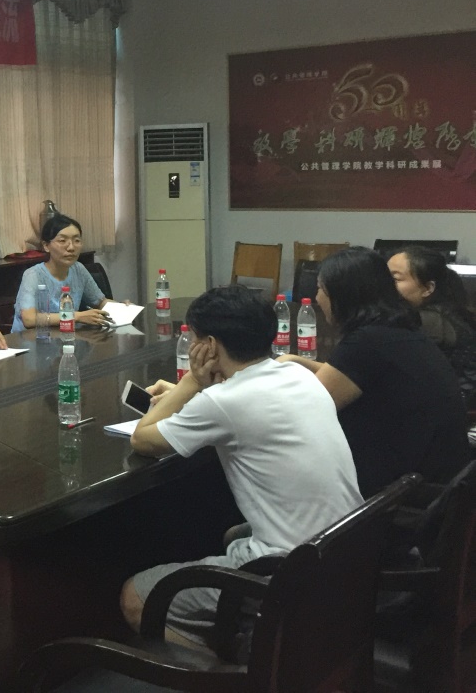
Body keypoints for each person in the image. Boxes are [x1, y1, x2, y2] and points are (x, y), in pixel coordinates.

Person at [124, 286, 362, 650]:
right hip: (346, 549)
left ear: (209, 346)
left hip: (291, 570)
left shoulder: (223, 401)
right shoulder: (297, 373)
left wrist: (192, 381)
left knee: (136, 596)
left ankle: (238, 667)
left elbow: (142, 439)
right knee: (233, 536)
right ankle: (250, 633)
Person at [281, 246, 468, 497]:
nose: (316, 298)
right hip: (441, 484)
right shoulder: (397, 330)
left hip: (402, 496)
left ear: (341, 295)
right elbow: (354, 376)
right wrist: (298, 361)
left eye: (320, 288)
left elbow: (301, 412)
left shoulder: (366, 342)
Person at [389, 245, 476, 405]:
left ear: (428, 288)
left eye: (395, 279)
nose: (385, 285)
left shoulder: (430, 320)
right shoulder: (445, 311)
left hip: (452, 407)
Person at [11, 213, 109, 332]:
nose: (71, 247)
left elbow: (101, 302)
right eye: (62, 241)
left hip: (66, 336)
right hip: (32, 339)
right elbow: (29, 319)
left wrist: (124, 308)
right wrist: (76, 316)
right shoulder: (33, 275)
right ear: (46, 246)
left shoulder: (78, 269)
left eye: (77, 240)